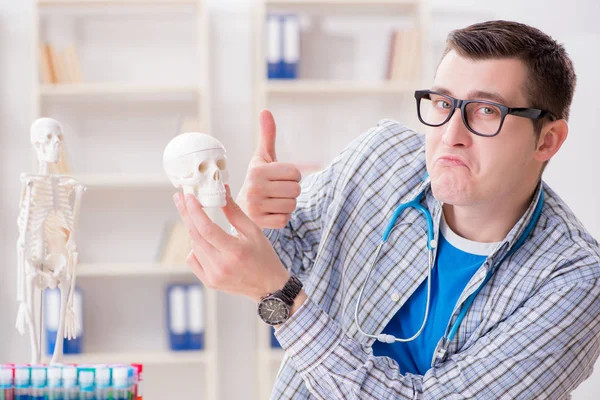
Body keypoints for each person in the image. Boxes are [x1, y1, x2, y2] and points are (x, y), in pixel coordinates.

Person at [173, 20, 600, 399]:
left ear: (547, 140)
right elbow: (293, 262)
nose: (451, 134)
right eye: (442, 103)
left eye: (486, 111)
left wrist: (279, 298)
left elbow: (281, 288)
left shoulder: (575, 281)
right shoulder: (383, 157)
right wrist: (262, 221)